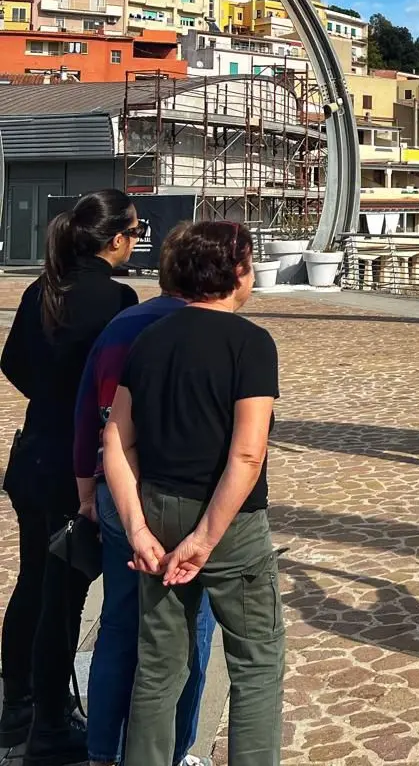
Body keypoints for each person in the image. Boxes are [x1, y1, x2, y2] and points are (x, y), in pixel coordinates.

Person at [103, 221, 284, 765]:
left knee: (159, 663)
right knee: (255, 662)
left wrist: (135, 526)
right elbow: (247, 455)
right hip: (229, 524)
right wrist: (207, 537)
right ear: (236, 273)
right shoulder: (250, 343)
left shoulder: (148, 339)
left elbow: (116, 440)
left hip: (157, 513)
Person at [0, 189, 140, 765]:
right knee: (62, 595)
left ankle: (18, 704)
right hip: (73, 464)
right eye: (134, 230)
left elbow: (12, 362)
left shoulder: (44, 288)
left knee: (34, 582)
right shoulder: (117, 300)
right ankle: (50, 722)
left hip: (33, 454)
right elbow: (124, 384)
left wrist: (53, 395)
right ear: (115, 240)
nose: (137, 239)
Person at [72, 228, 216, 766]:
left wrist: (88, 489)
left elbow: (89, 412)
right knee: (191, 627)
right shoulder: (213, 330)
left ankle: (102, 750)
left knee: (117, 624)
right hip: (180, 496)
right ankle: (176, 750)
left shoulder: (121, 324)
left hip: (116, 492)